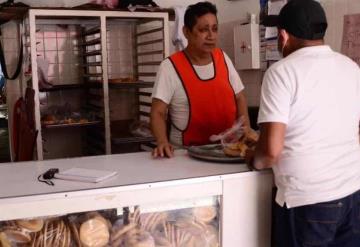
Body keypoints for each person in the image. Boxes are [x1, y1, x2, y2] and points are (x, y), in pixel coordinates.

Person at [247, 0, 360, 246]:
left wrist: (252, 158)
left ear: (283, 35)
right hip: (353, 193)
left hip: (308, 201)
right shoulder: (351, 67)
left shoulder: (281, 72)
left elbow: (269, 152)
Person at [150, 1, 250, 158]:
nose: (211, 36)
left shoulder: (223, 58)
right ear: (186, 32)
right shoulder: (170, 67)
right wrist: (162, 141)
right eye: (203, 30)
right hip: (185, 155)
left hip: (226, 151)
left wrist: (246, 130)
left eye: (215, 29)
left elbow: (240, 97)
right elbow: (158, 112)